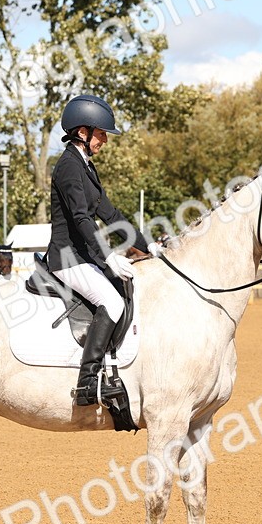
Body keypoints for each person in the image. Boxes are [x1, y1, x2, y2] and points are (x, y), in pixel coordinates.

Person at [46, 94, 162, 405]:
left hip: (84, 257)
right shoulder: (68, 166)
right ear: (82, 132)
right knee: (111, 302)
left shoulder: (86, 167)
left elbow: (111, 215)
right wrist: (108, 256)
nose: (105, 140)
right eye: (101, 134)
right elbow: (81, 218)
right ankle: (87, 383)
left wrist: (148, 245)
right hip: (67, 258)